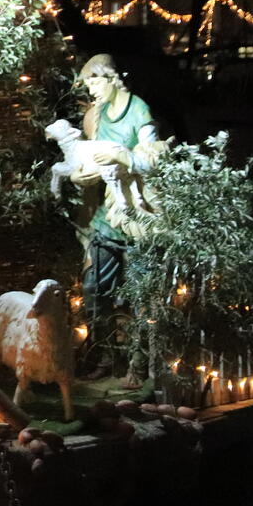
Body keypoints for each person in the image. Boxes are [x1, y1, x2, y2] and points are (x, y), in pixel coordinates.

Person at [72, 54, 163, 384]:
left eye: (95, 81)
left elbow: (152, 161)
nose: (92, 91)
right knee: (94, 289)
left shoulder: (138, 111)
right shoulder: (96, 115)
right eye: (88, 85)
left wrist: (122, 154)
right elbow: (89, 160)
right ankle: (106, 357)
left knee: (142, 296)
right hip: (107, 216)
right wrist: (81, 175)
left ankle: (138, 365)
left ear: (111, 78)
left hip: (138, 217)